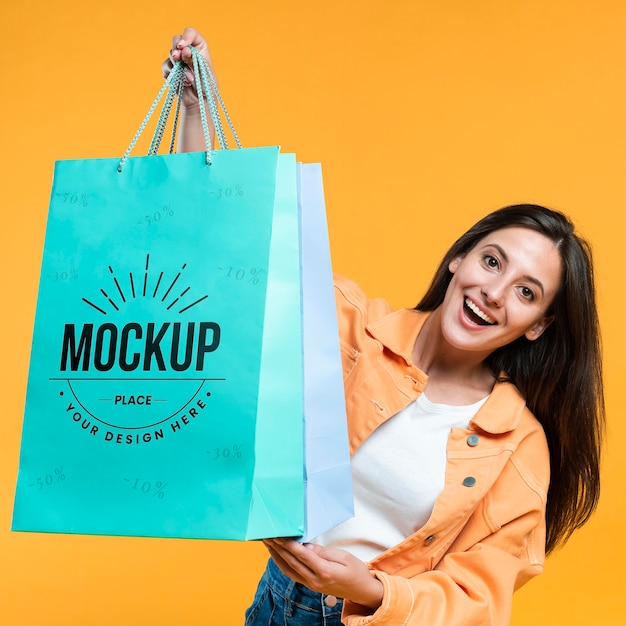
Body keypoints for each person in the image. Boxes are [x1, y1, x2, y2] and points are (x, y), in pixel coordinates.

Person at [163, 27, 605, 626]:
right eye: (491, 261)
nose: (493, 293)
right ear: (460, 257)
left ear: (537, 325)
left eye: (525, 293)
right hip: (278, 606)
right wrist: (194, 104)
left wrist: (374, 591)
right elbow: (224, 252)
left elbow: (479, 603)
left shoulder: (518, 447)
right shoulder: (350, 327)